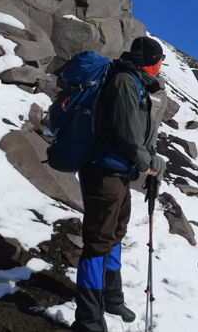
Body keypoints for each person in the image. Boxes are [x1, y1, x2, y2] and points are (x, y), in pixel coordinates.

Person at [72, 37, 167, 332]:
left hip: (118, 172)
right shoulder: (125, 81)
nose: (161, 65)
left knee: (115, 233)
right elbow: (126, 133)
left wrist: (150, 158)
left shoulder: (136, 81)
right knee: (98, 241)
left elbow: (139, 132)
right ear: (150, 61)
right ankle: (88, 318)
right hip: (104, 172)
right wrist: (148, 165)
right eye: (159, 60)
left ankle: (111, 298)